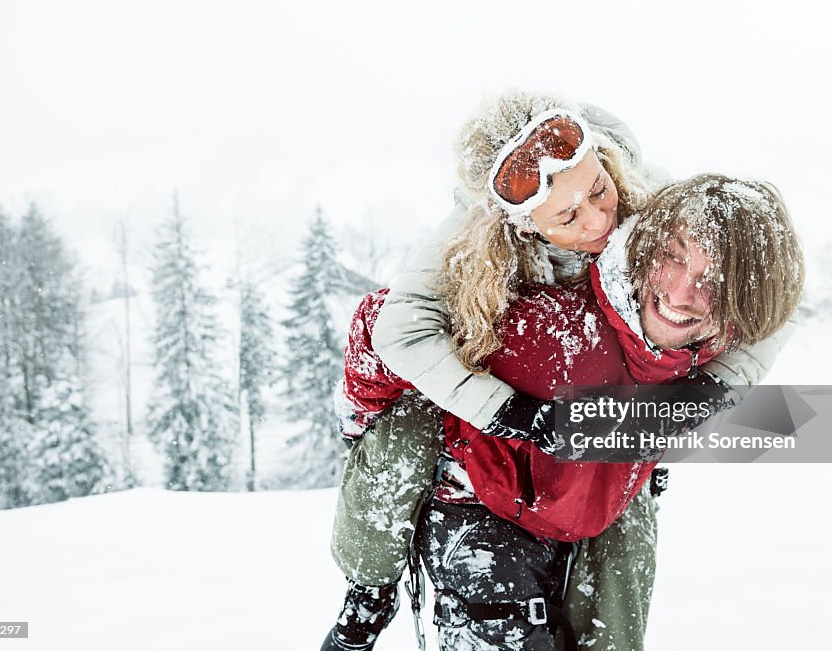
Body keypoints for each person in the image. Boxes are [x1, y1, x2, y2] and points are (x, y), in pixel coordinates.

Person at [322, 93, 796, 650]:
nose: (600, 219)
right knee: (408, 426)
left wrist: (699, 394)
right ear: (524, 225)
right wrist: (515, 415)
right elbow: (391, 329)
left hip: (604, 423)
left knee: (621, 540)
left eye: (599, 191)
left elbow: (770, 300)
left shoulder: (650, 204)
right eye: (568, 216)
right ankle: (368, 596)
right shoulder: (476, 246)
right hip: (496, 418)